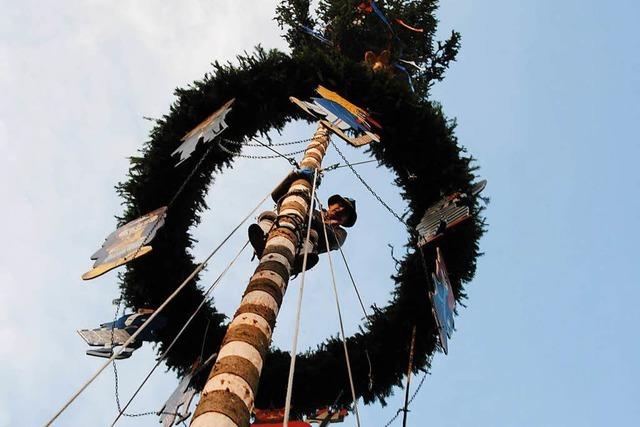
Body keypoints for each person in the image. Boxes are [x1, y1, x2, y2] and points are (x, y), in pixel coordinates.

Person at [248, 194, 357, 275]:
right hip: (283, 231)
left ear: (345, 221)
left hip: (303, 246)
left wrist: (313, 219)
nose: (341, 210)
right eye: (340, 205)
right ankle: (262, 242)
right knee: (269, 215)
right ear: (331, 205)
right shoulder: (314, 212)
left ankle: (296, 262)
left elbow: (334, 241)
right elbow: (276, 195)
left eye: (345, 212)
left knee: (312, 233)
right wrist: (296, 176)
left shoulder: (340, 232)